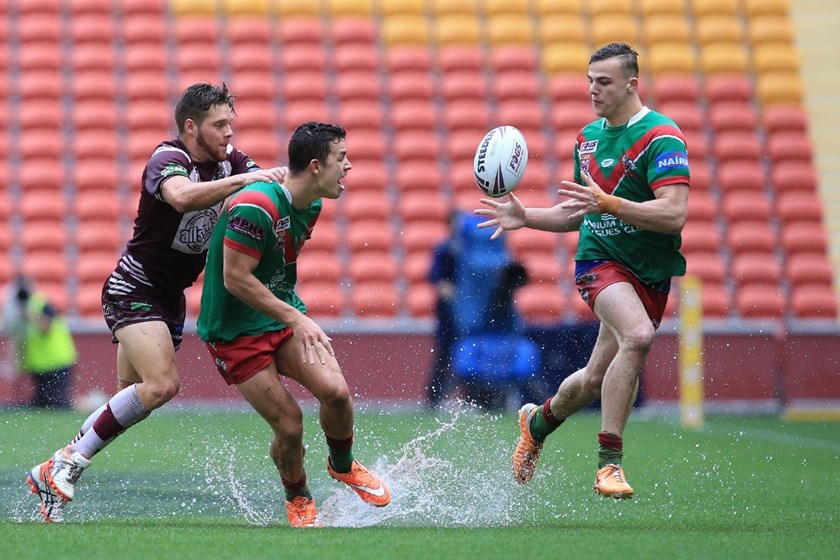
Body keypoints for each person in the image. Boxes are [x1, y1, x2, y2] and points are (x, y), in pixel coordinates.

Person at [26, 83, 287, 523]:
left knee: (134, 391)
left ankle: (49, 468)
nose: (229, 132)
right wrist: (246, 179)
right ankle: (67, 463)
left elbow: (266, 187)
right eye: (219, 124)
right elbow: (182, 197)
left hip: (169, 297)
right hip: (135, 287)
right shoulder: (168, 158)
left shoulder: (231, 160)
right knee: (162, 385)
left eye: (231, 123)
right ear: (191, 126)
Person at [475, 42, 689, 499]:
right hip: (599, 264)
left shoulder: (661, 137)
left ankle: (536, 423)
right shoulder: (587, 140)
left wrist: (610, 203)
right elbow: (579, 215)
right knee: (638, 336)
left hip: (649, 273)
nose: (593, 90)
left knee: (595, 379)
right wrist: (525, 216)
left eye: (604, 82)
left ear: (632, 84)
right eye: (590, 81)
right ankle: (609, 464)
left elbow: (673, 215)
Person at [197, 122, 390, 528]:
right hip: (235, 333)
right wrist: (297, 317)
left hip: (278, 315)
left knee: (336, 393)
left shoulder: (312, 205)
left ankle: (342, 465)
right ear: (316, 166)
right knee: (289, 425)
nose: (349, 167)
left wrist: (289, 314)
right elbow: (236, 279)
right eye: (342, 159)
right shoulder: (255, 206)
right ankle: (297, 493)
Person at [2, 276, 77, 408]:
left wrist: (28, 314)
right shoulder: (17, 310)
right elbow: (17, 338)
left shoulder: (41, 303)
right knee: (42, 405)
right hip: (39, 366)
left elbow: (47, 327)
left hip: (57, 363)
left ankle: (87, 405)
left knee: (58, 405)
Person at [426, 212, 459, 408]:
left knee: (469, 354)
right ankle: (434, 398)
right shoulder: (445, 248)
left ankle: (480, 397)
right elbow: (436, 278)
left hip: (471, 314)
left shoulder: (472, 249)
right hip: (449, 314)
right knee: (444, 354)